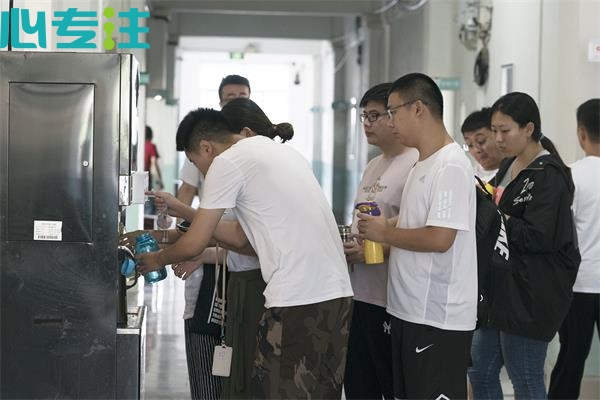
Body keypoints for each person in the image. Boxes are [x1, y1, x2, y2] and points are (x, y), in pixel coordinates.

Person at [137, 105, 354, 399]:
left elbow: (194, 244)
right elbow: (243, 239)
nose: (200, 169)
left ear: (206, 147)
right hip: (337, 294)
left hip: (296, 298)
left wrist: (154, 260)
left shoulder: (227, 163)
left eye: (194, 160)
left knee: (275, 391)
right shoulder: (285, 154)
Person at [357, 72, 477, 399]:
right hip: (407, 309)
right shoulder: (423, 163)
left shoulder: (450, 165)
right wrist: (390, 225)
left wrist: (385, 233)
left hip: (436, 316)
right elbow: (415, 220)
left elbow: (441, 238)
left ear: (419, 109)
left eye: (394, 112)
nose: (390, 121)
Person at [468, 92, 580, 399]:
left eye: (505, 131)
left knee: (526, 379)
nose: (497, 139)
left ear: (528, 129)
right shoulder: (509, 166)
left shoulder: (548, 175)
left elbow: (539, 236)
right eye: (494, 130)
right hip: (500, 290)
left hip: (530, 295)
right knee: (480, 371)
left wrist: (490, 214)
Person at [343, 82, 418, 400]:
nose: (368, 124)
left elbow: (418, 230)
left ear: (395, 117)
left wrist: (381, 247)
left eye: (375, 115)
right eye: (364, 116)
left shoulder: (415, 163)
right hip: (361, 294)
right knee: (360, 384)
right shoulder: (373, 165)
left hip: (393, 298)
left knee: (391, 384)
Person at [549, 98, 600, 399]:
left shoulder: (570, 176)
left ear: (581, 133)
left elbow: (561, 235)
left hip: (578, 284)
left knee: (570, 359)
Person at [177, 75, 251, 206]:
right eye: (231, 97)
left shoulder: (259, 138)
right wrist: (179, 225)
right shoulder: (205, 135)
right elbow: (188, 189)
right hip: (212, 220)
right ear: (221, 103)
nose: (237, 103)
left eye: (242, 96)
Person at [461, 107, 504, 182]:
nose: (476, 150)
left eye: (481, 141)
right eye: (470, 145)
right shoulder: (467, 178)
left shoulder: (515, 173)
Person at [144, 125, 163, 215]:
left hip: (137, 179)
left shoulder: (137, 146)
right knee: (149, 205)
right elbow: (154, 164)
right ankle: (146, 227)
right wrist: (160, 180)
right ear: (151, 136)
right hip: (146, 179)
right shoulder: (151, 146)